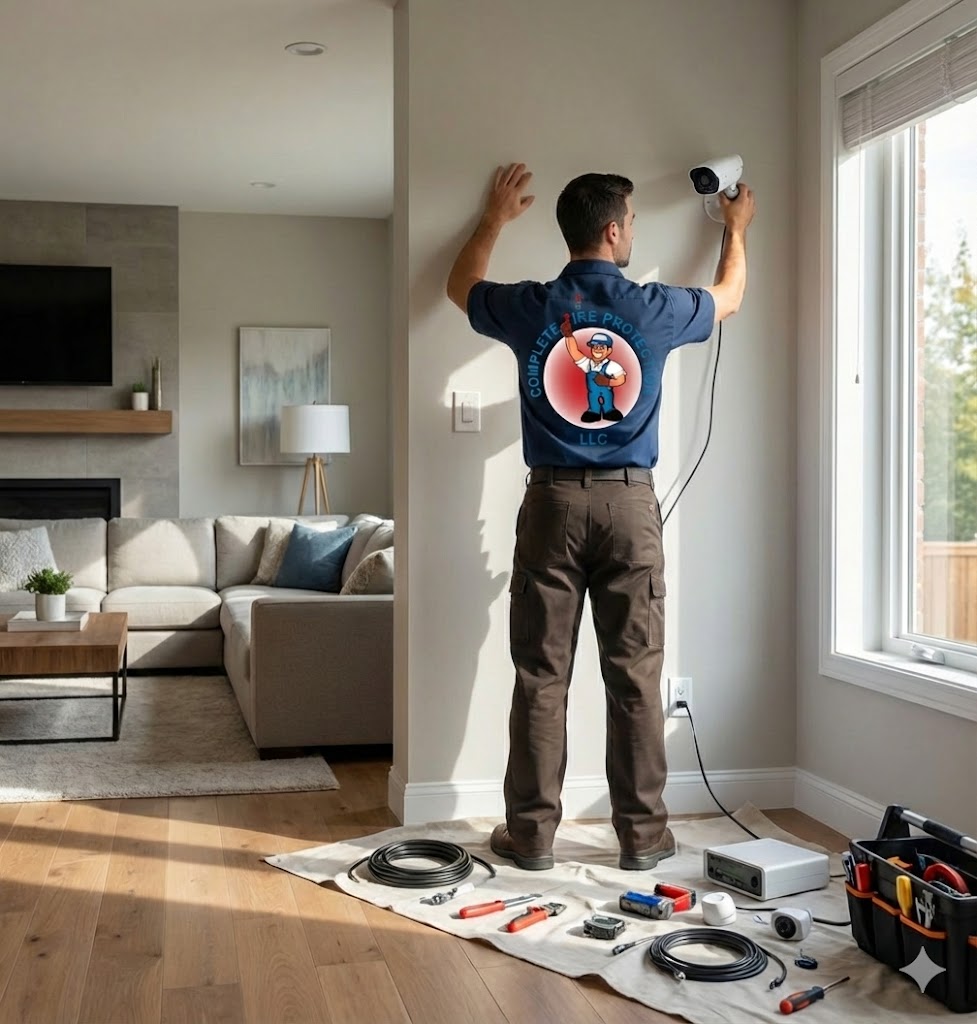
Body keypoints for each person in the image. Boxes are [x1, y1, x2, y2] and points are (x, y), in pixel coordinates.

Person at [446, 163, 756, 871]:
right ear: (614, 230)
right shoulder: (650, 306)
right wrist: (734, 230)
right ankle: (643, 840)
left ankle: (529, 837)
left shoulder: (532, 305)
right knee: (634, 677)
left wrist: (493, 218)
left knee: (539, 676)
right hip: (628, 504)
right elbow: (729, 297)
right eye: (633, 224)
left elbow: (457, 287)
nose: (633, 234)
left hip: (551, 502)